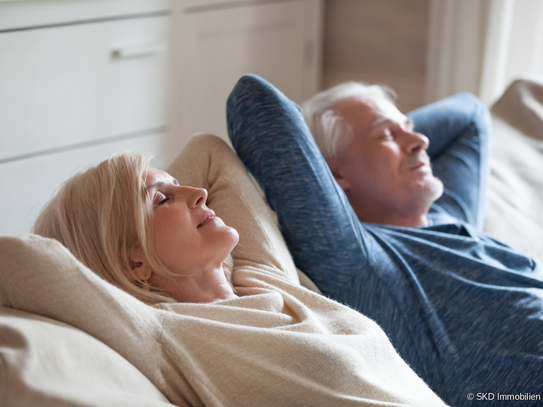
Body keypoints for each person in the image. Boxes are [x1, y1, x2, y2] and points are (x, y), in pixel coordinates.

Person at [27, 134, 447, 406]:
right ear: (132, 261)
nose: (198, 192)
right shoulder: (164, 334)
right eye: (162, 199)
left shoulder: (259, 275)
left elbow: (209, 152)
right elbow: (29, 265)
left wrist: (145, 200)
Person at [227, 74, 543, 407]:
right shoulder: (361, 260)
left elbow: (471, 114)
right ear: (333, 176)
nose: (420, 139)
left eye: (409, 124)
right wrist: (335, 156)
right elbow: (254, 101)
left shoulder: (451, 213)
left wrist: (387, 137)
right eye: (387, 135)